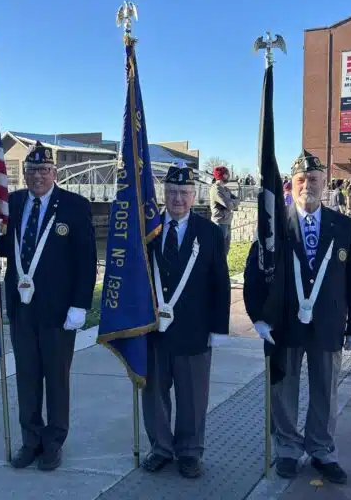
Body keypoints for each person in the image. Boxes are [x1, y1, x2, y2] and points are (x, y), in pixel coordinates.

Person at [244, 149, 351, 485]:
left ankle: (322, 450)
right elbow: (254, 273)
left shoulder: (342, 225)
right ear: (292, 183)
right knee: (283, 389)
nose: (306, 185)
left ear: (324, 182)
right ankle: (286, 448)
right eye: (300, 179)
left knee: (325, 390)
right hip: (284, 323)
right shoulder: (274, 225)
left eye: (313, 179)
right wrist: (257, 317)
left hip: (327, 323)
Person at [0, 140, 97, 471]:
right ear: (24, 174)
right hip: (22, 307)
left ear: (54, 172)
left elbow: (86, 260)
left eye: (44, 170)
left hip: (58, 310)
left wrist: (80, 304)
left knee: (56, 379)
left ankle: (53, 442)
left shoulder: (74, 205)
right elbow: (1, 248)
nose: (37, 176)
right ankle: (30, 440)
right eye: (31, 170)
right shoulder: (11, 203)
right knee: (26, 377)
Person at [140, 162, 231, 479]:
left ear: (195, 196)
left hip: (194, 329)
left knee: (192, 397)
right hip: (153, 330)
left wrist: (219, 327)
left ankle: (190, 452)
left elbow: (220, 282)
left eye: (184, 192)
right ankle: (161, 448)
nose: (177, 198)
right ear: (164, 193)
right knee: (154, 393)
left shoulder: (209, 232)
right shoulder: (148, 230)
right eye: (172, 191)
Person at [209, 165, 239, 255]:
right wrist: (233, 202)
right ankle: (215, 268)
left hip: (227, 221)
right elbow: (229, 205)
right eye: (227, 174)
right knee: (218, 250)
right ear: (222, 175)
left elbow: (237, 200)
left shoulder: (226, 189)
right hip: (219, 222)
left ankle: (223, 268)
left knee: (226, 250)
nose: (228, 176)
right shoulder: (215, 189)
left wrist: (233, 202)